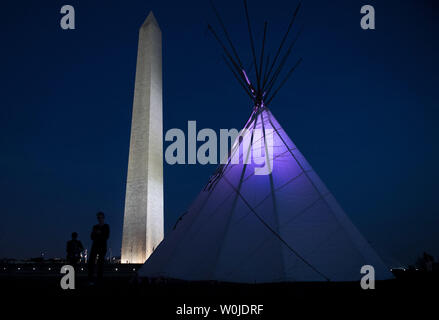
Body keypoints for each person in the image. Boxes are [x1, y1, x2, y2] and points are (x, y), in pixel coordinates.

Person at [88, 211, 110, 284]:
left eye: (101, 217)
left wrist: (98, 234)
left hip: (102, 247)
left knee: (100, 263)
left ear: (103, 218)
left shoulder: (106, 226)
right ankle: (91, 278)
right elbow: (91, 237)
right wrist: (99, 234)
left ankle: (99, 279)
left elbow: (106, 236)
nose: (100, 219)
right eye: (98, 218)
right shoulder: (95, 227)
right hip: (95, 246)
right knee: (91, 262)